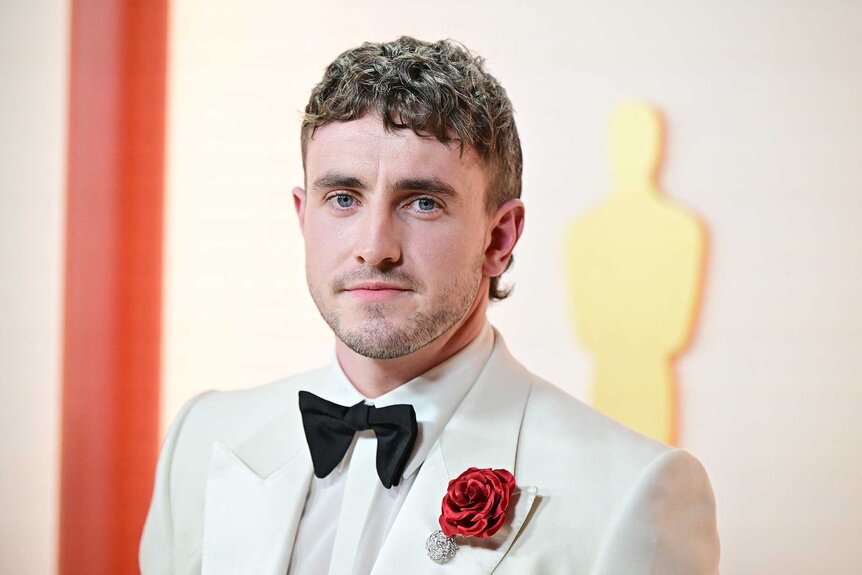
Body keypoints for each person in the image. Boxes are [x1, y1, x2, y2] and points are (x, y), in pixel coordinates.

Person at [139, 36, 720, 574]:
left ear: (499, 239)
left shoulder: (632, 492)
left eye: (422, 203)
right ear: (302, 216)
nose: (373, 248)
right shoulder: (202, 435)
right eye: (343, 198)